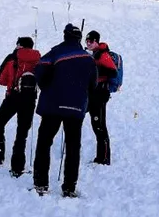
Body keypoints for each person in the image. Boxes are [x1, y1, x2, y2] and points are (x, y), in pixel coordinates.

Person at [32, 24, 97, 197]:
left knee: (44, 143)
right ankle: (69, 187)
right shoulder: (89, 59)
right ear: (79, 38)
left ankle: (41, 183)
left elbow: (39, 69)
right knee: (73, 147)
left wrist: (46, 87)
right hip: (76, 107)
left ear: (65, 36)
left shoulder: (56, 53)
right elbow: (93, 85)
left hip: (52, 105)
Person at [0, 37, 41, 177]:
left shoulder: (12, 58)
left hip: (13, 97)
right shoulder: (38, 59)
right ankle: (17, 167)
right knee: (22, 133)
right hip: (29, 100)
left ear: (19, 45)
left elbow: (1, 80)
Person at [85, 30, 117, 166]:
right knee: (95, 124)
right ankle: (101, 157)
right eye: (87, 41)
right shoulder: (93, 55)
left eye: (91, 41)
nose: (88, 43)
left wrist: (95, 70)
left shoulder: (103, 55)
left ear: (96, 41)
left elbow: (113, 71)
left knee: (99, 125)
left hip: (100, 93)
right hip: (93, 93)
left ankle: (104, 158)